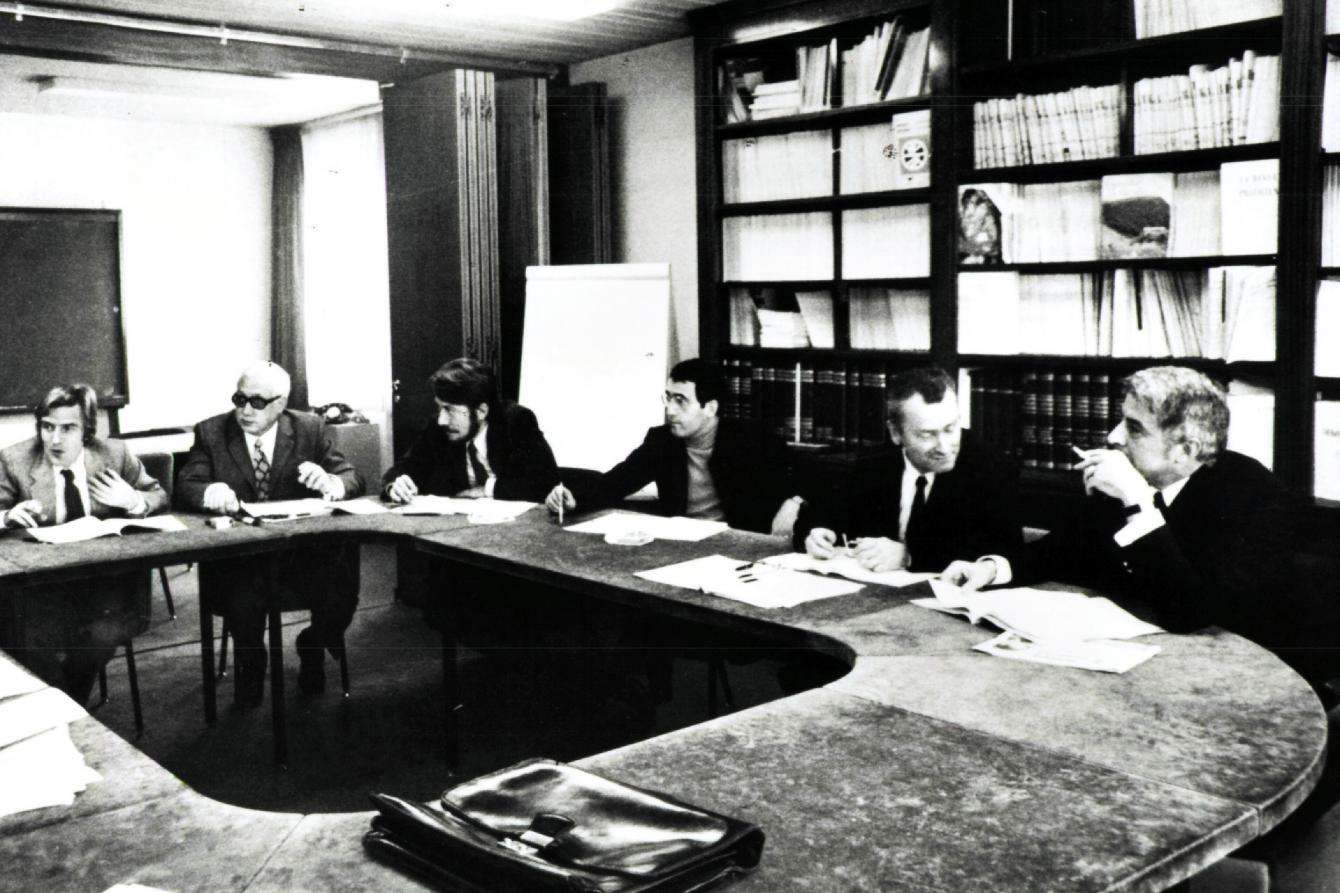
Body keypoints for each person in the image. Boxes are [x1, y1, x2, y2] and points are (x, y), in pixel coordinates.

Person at [940, 366, 1299, 638]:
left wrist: (1138, 502)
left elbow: (1191, 612)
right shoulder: (1127, 476)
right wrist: (991, 568)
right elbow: (1062, 549)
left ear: (1185, 450)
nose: (1113, 437)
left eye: (1134, 427)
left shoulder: (1252, 495)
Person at [176, 361, 364, 707]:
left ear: (281, 403)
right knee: (243, 590)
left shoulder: (310, 428)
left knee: (343, 581)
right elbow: (187, 483)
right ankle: (251, 662)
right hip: (244, 559)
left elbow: (351, 476)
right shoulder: (211, 432)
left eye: (257, 402)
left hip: (301, 557)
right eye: (239, 399)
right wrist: (209, 492)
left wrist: (332, 483)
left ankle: (313, 643)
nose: (245, 410)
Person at [0, 383, 168, 702]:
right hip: (42, 590)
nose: (55, 439)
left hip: (106, 587)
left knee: (99, 639)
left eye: (68, 428)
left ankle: (67, 707)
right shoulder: (15, 460)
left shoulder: (115, 455)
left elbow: (159, 495)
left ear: (87, 430)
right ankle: (62, 708)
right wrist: (7, 516)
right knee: (30, 646)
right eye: (47, 427)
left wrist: (134, 500)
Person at [798, 366, 1020, 572]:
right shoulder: (874, 462)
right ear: (896, 433)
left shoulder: (991, 466)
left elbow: (1003, 553)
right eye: (927, 434)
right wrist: (820, 534)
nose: (943, 447)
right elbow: (824, 514)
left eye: (950, 429)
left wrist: (910, 555)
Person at [545, 358, 797, 536]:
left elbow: (808, 480)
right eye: (668, 398)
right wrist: (572, 497)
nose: (670, 410)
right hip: (680, 543)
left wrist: (794, 501)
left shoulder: (753, 440)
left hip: (738, 546)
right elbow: (615, 482)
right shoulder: (662, 441)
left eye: (681, 401)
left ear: (710, 408)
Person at [383, 357, 558, 503]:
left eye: (450, 409)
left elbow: (544, 483)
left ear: (481, 411)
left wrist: (487, 489)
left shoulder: (516, 421)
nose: (442, 420)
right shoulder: (438, 428)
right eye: (440, 408)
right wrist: (396, 485)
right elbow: (401, 469)